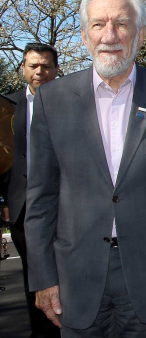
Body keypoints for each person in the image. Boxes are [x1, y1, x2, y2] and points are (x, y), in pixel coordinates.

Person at [25, 0, 146, 336]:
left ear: (139, 34)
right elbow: (41, 199)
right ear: (83, 35)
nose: (110, 35)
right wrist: (43, 277)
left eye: (122, 24)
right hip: (75, 276)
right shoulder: (53, 99)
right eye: (98, 24)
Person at [0, 42, 61, 338]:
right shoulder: (5, 107)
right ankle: (42, 333)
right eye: (33, 66)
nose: (40, 72)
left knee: (69, 274)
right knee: (34, 277)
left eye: (46, 66)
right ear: (23, 68)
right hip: (22, 206)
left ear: (56, 70)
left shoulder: (72, 103)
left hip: (66, 206)